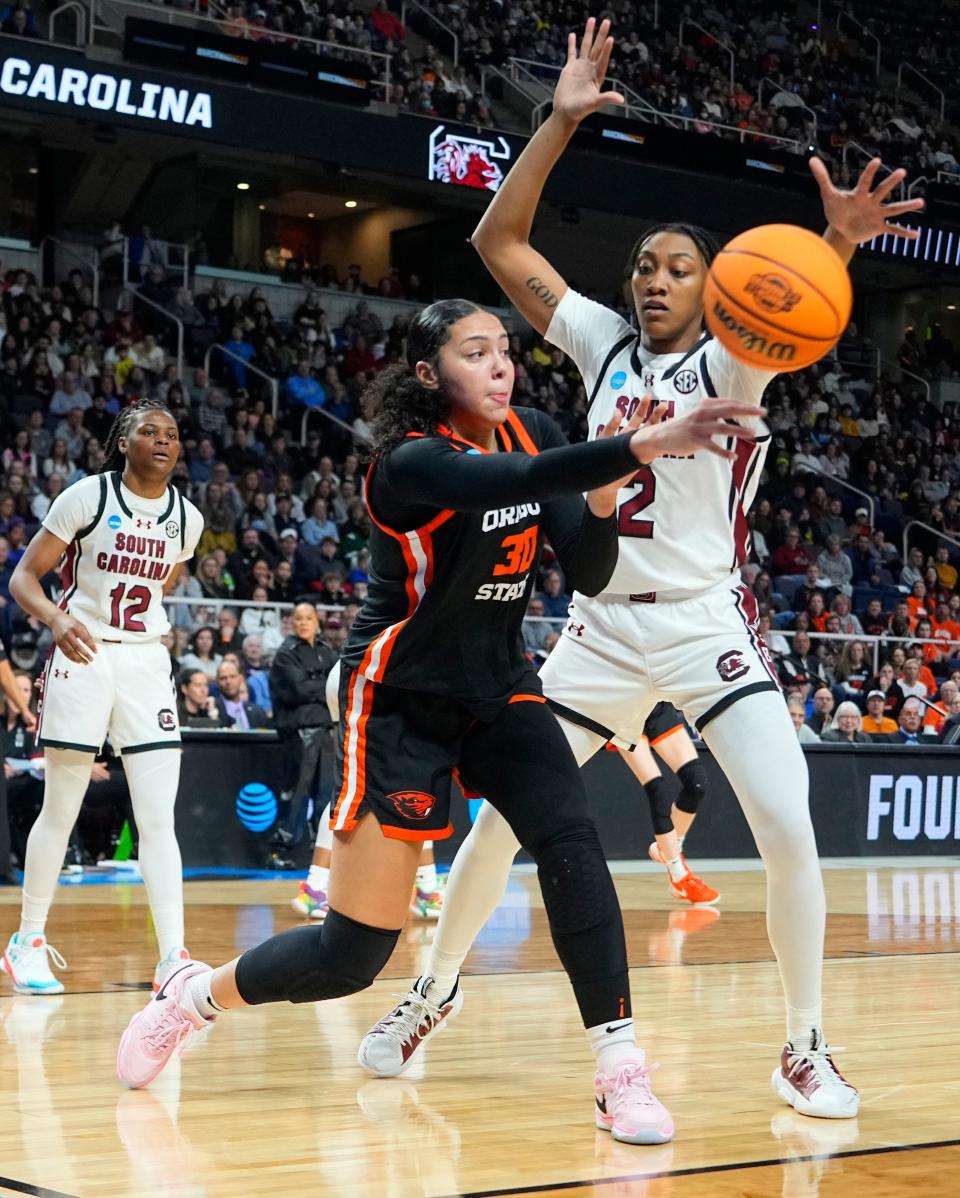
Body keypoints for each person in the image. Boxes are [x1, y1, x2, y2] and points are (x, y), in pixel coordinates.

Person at [356, 18, 920, 1119]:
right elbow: (500, 244)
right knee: (499, 824)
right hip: (602, 623)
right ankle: (431, 989)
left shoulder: (738, 354)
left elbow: (792, 301)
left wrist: (835, 244)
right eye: (646, 267)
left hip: (708, 622)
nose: (657, 279)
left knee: (788, 821)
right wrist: (558, 122)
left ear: (719, 288)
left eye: (680, 267)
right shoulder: (603, 344)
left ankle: (803, 1044)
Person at [116, 295, 759, 1147]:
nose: (501, 366)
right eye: (476, 353)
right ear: (429, 375)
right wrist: (635, 446)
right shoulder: (408, 463)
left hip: (499, 687)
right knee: (350, 958)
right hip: (399, 701)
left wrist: (603, 498)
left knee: (571, 841)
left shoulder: (530, 431)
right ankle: (192, 997)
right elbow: (508, 483)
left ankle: (618, 1067)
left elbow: (595, 572)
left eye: (505, 351)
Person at [1, 400, 203, 996]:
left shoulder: (186, 518)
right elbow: (22, 579)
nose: (163, 441)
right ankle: (26, 943)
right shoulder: (87, 496)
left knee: (158, 819)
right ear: (123, 442)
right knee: (59, 808)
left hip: (144, 660)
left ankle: (173, 957)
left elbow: (161, 582)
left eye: (171, 433)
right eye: (149, 432)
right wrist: (56, 622)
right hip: (83, 654)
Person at [612, 707, 718, 904]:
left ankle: (670, 847)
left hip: (656, 705)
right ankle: (678, 875)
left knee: (697, 783)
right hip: (623, 710)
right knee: (658, 791)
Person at [269, 602, 337, 858]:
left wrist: (313, 685)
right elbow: (299, 689)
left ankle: (321, 852)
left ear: (317, 622)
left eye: (309, 618)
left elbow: (338, 685)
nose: (303, 623)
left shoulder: (326, 650)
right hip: (299, 732)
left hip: (327, 730)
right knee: (296, 792)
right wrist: (322, 687)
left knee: (326, 794)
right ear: (291, 622)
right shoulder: (285, 653)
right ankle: (283, 850)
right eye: (298, 618)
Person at [214, 659, 270, 730]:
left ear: (240, 679)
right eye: (223, 678)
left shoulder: (258, 712)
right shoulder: (212, 709)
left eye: (232, 676)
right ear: (217, 682)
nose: (228, 681)